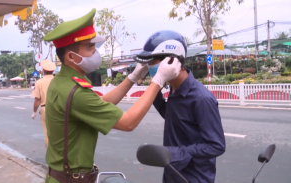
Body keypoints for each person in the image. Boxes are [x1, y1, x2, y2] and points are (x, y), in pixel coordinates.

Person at [42, 8, 181, 183]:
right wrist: (158, 81)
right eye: (90, 47)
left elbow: (100, 103)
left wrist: (132, 77)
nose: (96, 52)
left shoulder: (62, 82)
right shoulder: (76, 92)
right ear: (72, 56)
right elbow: (128, 122)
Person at [134, 30, 226, 183]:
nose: (149, 66)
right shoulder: (174, 88)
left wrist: (174, 153)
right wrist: (154, 87)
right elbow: (172, 116)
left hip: (193, 177)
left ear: (171, 61)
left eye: (152, 62)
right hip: (172, 174)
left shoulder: (201, 98)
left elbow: (216, 146)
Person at [31, 59, 56, 148]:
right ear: (53, 70)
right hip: (60, 109)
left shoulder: (39, 82)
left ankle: (52, 156)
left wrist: (34, 112)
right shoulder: (58, 80)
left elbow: (37, 99)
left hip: (46, 109)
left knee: (47, 133)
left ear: (43, 70)